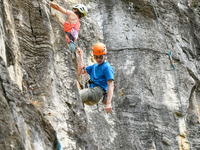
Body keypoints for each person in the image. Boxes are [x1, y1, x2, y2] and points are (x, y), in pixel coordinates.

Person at [77, 43, 114, 114]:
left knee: (76, 95)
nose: (98, 59)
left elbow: (111, 85)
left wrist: (108, 103)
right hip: (91, 91)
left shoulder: (107, 67)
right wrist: (80, 56)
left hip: (97, 92)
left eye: (100, 57)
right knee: (75, 97)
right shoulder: (95, 66)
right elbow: (80, 71)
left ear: (105, 55)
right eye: (96, 57)